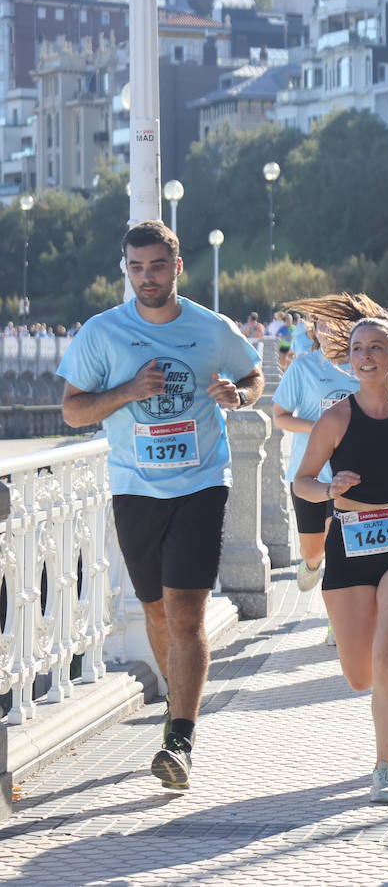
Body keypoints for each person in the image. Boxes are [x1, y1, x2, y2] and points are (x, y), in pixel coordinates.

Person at [58, 221, 264, 790]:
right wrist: (128, 391)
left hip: (201, 482)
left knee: (186, 614)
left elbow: (252, 373)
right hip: (135, 487)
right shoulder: (103, 333)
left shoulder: (209, 327)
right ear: (125, 269)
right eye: (136, 267)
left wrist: (239, 395)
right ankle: (180, 702)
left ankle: (180, 737)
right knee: (154, 612)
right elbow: (74, 412)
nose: (146, 277)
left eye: (156, 266)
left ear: (177, 266)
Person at [293, 309, 388, 802]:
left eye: (375, 349)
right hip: (347, 538)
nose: (365, 357)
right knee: (360, 673)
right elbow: (302, 481)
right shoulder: (336, 417)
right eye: (358, 349)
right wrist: (328, 488)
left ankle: (385, 766)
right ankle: (359, 640)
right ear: (350, 360)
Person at [272, 310, 360, 606]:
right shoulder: (304, 367)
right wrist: (320, 428)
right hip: (308, 474)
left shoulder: (362, 365)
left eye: (336, 325)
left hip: (350, 474)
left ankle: (338, 618)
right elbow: (280, 417)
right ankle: (310, 565)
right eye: (322, 326)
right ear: (314, 331)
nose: (329, 331)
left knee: (341, 548)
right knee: (314, 550)